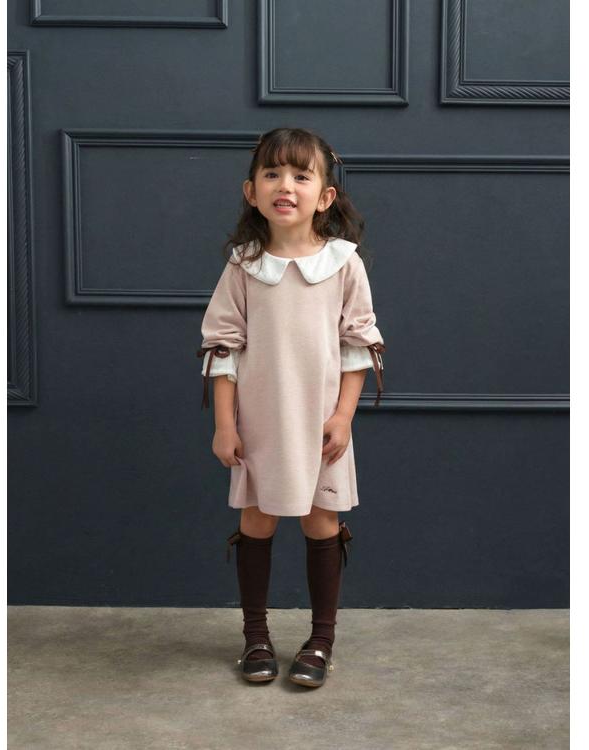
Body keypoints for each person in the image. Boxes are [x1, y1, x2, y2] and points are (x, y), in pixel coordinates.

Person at [196, 127, 386, 688]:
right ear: (251, 191)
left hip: (321, 423)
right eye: (272, 174)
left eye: (301, 176)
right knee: (256, 519)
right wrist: (224, 425)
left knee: (321, 519)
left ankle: (321, 639)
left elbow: (358, 345)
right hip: (260, 422)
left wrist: (344, 417)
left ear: (324, 196)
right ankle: (256, 636)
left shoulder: (344, 264)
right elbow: (223, 348)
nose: (286, 186)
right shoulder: (243, 267)